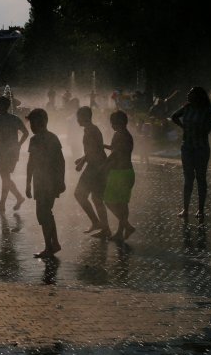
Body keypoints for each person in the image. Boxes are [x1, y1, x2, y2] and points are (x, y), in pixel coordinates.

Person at [171, 86, 211, 221]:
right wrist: (182, 126)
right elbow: (174, 116)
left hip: (201, 148)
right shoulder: (186, 108)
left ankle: (200, 209)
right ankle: (185, 209)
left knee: (201, 178)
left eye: (191, 94)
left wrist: (210, 128)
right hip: (186, 147)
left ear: (198, 96)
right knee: (188, 178)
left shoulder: (207, 110)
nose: (188, 96)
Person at [25, 108, 66, 258]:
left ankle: (51, 246)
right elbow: (31, 163)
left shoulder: (52, 138)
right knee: (44, 214)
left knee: (44, 213)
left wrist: (61, 180)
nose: (32, 127)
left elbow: (61, 161)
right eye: (30, 124)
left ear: (42, 122)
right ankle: (53, 244)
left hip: (50, 181)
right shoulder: (34, 140)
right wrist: (28, 183)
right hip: (39, 181)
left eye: (33, 123)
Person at [73, 105, 111, 237]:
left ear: (84, 117)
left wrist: (82, 163)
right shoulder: (91, 129)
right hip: (99, 166)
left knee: (79, 194)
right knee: (96, 198)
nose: (77, 119)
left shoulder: (91, 130)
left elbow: (94, 150)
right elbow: (94, 149)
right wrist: (82, 158)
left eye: (78, 117)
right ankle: (104, 228)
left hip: (95, 167)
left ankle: (97, 223)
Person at [104, 111, 136, 242]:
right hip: (117, 172)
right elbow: (114, 148)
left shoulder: (124, 136)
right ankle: (126, 226)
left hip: (123, 173)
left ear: (122, 122)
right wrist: (103, 146)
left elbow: (116, 153)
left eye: (114, 122)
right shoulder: (118, 134)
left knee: (121, 203)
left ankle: (120, 231)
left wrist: (104, 165)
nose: (112, 125)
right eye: (111, 122)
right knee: (109, 200)